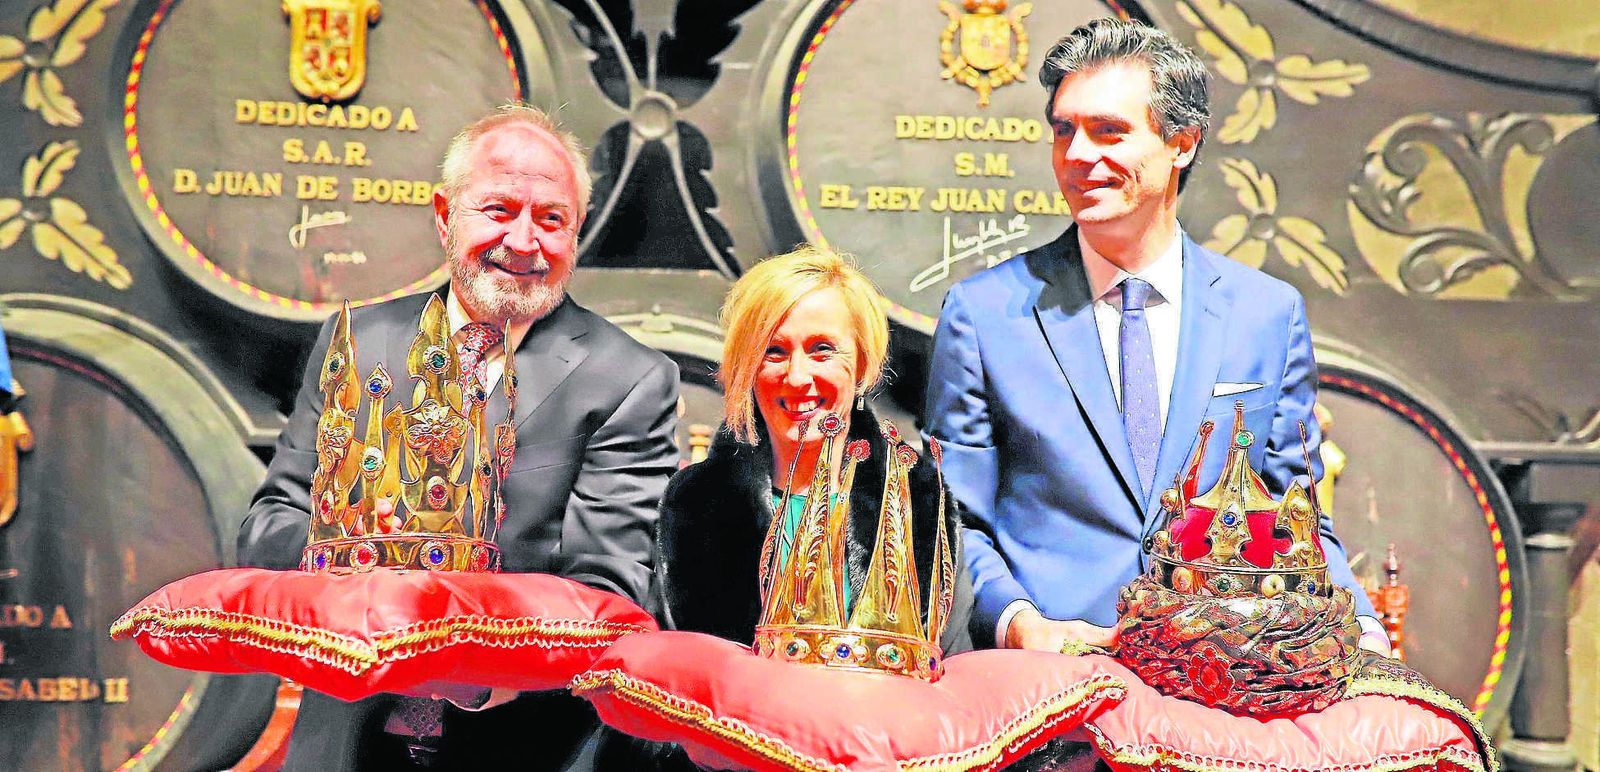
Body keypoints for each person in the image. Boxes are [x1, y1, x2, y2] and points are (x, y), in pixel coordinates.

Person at [237, 104, 681, 771]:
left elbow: (605, 587)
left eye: (551, 219)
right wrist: (373, 569)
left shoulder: (629, 378)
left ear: (576, 232)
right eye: (498, 210)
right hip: (345, 742)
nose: (524, 242)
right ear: (445, 215)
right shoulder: (357, 342)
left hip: (522, 747)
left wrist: (464, 669)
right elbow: (271, 525)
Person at [923, 19, 1386, 655]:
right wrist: (1020, 623)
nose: (1078, 154)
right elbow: (953, 520)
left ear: (1182, 144)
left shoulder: (1267, 315)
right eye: (1064, 130)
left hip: (1218, 676)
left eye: (1108, 131)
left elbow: (1296, 519)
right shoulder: (983, 315)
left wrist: (1367, 638)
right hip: (1047, 682)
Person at [657, 245, 974, 656]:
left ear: (863, 362)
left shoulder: (920, 501)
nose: (796, 377)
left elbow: (952, 662)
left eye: (822, 349)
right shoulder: (692, 503)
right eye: (773, 351)